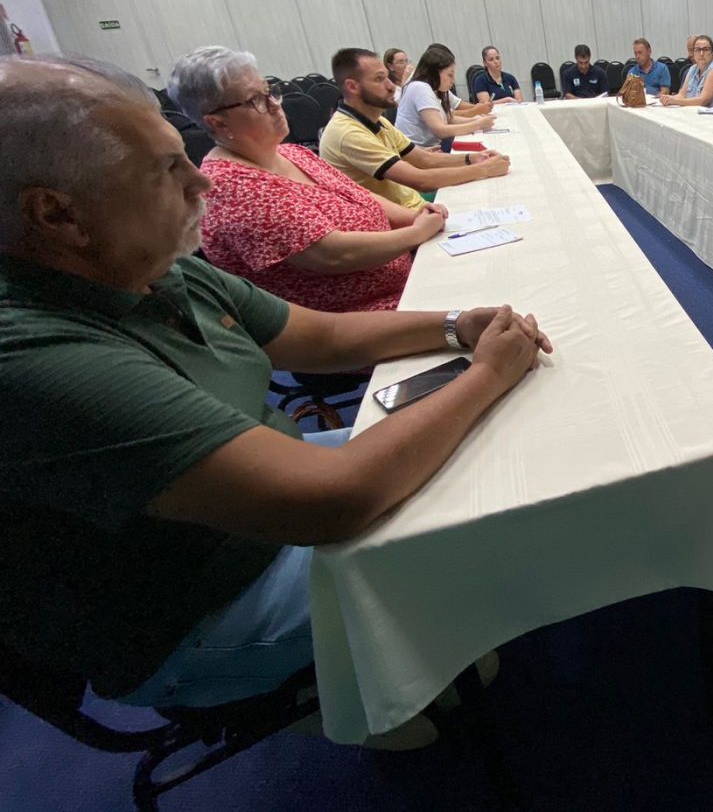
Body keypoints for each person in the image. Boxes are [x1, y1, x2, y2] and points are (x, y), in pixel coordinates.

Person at [0, 54, 550, 723]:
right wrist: (490, 372)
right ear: (57, 215)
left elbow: (316, 337)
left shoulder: (145, 266)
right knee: (499, 511)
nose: (200, 181)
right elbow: (332, 500)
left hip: (264, 502)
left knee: (513, 445)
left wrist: (457, 326)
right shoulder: (33, 355)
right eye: (165, 169)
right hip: (203, 609)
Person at [167, 46, 445, 314]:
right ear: (217, 123)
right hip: (360, 320)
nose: (275, 105)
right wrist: (417, 232)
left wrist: (416, 216)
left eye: (270, 93)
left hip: (406, 281)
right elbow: (334, 255)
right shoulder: (232, 189)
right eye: (256, 100)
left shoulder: (291, 152)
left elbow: (361, 197)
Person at [320, 48, 509, 211]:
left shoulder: (378, 122)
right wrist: (483, 169)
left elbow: (424, 159)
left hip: (411, 202)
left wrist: (471, 159)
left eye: (387, 77)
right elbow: (420, 180)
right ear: (353, 86)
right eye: (379, 79)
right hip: (401, 217)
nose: (390, 86)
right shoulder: (348, 133)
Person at [394, 43, 495, 148]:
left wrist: (477, 119)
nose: (453, 80)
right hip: (419, 152)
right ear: (435, 73)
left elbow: (449, 119)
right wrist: (477, 125)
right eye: (450, 75)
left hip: (431, 147)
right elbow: (440, 130)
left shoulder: (433, 89)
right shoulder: (419, 88)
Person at [660, 34, 713, 109]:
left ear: (712, 53)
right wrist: (668, 98)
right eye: (697, 50)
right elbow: (682, 95)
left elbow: (703, 101)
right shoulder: (692, 69)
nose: (701, 54)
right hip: (696, 114)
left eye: (706, 49)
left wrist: (675, 101)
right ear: (693, 53)